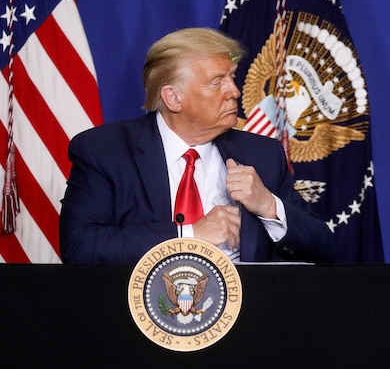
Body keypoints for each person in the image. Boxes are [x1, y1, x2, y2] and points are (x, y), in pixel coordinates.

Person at [59, 27, 336, 264]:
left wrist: (268, 205)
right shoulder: (105, 151)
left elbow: (325, 248)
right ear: (173, 98)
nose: (235, 92)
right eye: (217, 82)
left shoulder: (262, 155)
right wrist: (190, 234)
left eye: (232, 77)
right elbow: (80, 246)